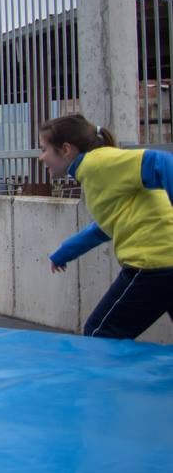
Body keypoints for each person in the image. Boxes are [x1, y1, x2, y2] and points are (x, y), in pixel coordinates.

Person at [41, 113, 173, 339]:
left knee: (101, 333)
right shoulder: (94, 172)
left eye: (43, 149)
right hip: (164, 261)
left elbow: (163, 162)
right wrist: (65, 252)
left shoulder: (97, 163)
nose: (41, 157)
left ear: (65, 149)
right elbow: (103, 228)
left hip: (154, 263)